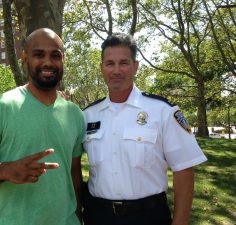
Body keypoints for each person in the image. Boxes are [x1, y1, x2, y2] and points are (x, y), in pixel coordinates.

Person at [82, 33, 207, 225]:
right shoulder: (88, 115)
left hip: (148, 216)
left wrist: (180, 222)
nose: (116, 70)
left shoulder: (163, 111)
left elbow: (184, 169)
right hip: (98, 216)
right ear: (102, 68)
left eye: (123, 63)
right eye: (110, 63)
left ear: (135, 66)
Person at [0, 28, 85, 225]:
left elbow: (74, 174)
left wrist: (79, 216)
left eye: (55, 55)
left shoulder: (75, 114)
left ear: (63, 60)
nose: (48, 62)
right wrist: (3, 170)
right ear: (25, 58)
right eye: (38, 54)